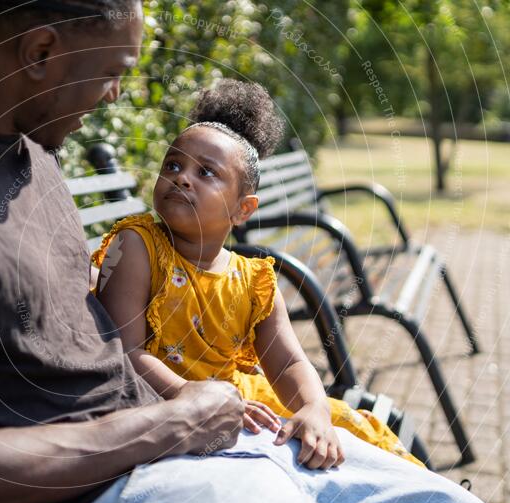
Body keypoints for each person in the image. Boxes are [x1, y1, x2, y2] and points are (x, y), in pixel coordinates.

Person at [0, 0, 497, 503]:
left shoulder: (31, 153)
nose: (113, 97)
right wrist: (173, 423)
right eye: (111, 73)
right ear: (40, 51)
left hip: (189, 448)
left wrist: (193, 418)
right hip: (94, 500)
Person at [91, 79, 424, 471]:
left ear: (242, 209)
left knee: (349, 427)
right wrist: (188, 393)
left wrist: (313, 407)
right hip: (163, 408)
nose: (182, 177)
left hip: (237, 400)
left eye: (206, 173)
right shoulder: (138, 246)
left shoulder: (252, 281)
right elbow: (125, 352)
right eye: (173, 165)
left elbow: (288, 365)